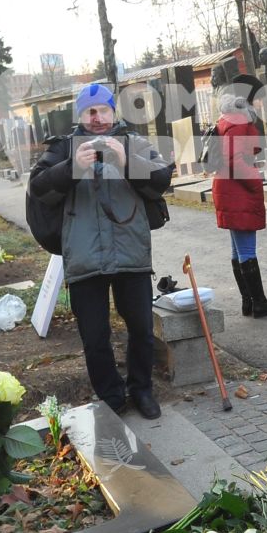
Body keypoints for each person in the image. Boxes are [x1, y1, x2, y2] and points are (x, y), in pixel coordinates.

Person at [27, 83, 173, 420]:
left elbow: (162, 179)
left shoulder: (135, 143)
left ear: (113, 111)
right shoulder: (64, 148)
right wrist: (70, 168)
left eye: (103, 110)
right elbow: (38, 188)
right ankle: (111, 396)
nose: (97, 118)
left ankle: (142, 390)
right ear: (81, 115)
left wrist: (126, 161)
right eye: (90, 112)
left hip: (131, 256)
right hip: (83, 259)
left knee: (140, 328)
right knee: (94, 337)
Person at [209, 73, 267, 318]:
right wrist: (256, 181)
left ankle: (248, 302)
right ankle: (259, 303)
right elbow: (235, 161)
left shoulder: (228, 119)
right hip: (237, 192)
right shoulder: (240, 122)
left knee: (237, 249)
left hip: (228, 190)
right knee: (247, 250)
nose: (262, 103)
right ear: (250, 99)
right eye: (260, 98)